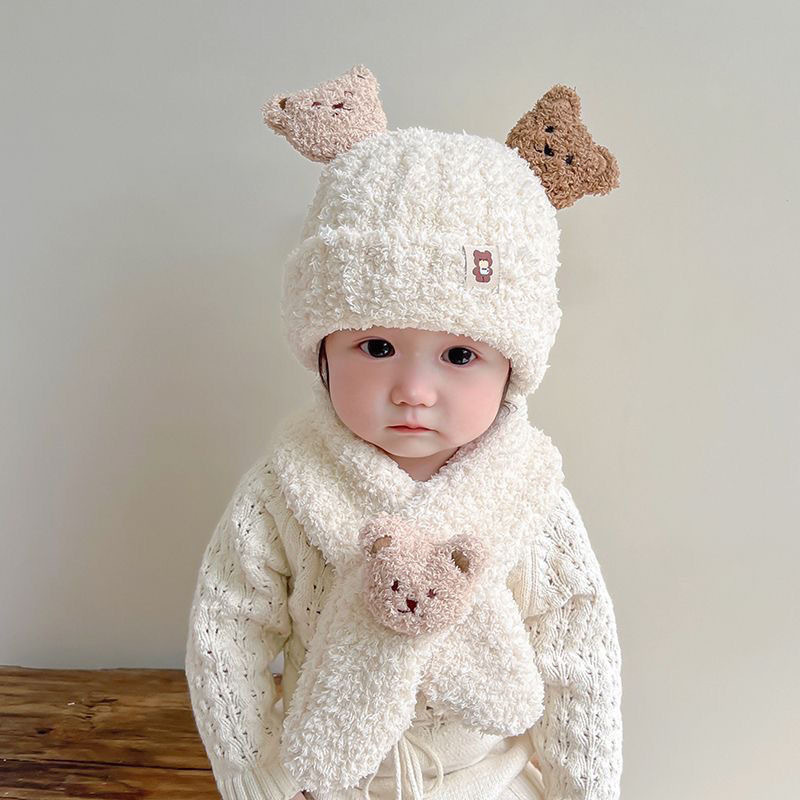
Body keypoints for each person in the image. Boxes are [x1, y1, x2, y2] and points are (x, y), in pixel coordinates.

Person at [185, 64, 624, 800]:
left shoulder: (529, 493)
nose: (414, 390)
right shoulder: (285, 488)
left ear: (512, 369)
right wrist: (257, 778)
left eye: (460, 356)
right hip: (328, 782)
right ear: (322, 351)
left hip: (486, 781)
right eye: (378, 346)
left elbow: (580, 656)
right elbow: (227, 633)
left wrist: (584, 790)